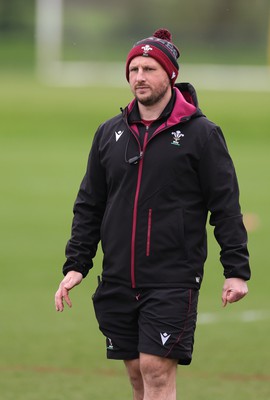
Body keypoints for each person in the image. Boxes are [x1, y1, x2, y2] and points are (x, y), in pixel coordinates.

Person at [55, 28, 251, 400]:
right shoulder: (108, 133)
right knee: (136, 376)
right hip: (117, 276)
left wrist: (236, 270)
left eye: (149, 68)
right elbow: (89, 203)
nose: (139, 77)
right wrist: (76, 263)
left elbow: (225, 205)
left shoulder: (202, 135)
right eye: (133, 70)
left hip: (172, 276)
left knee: (156, 371)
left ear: (170, 75)